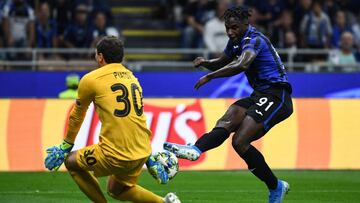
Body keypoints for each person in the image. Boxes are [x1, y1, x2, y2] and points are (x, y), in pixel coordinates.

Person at [164, 6, 293, 203]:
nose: (230, 32)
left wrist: (210, 76)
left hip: (277, 94)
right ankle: (196, 149)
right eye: (227, 28)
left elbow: (242, 64)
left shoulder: (254, 39)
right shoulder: (236, 41)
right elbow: (223, 61)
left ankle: (276, 187)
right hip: (259, 94)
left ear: (245, 24)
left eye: (234, 27)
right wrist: (206, 62)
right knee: (231, 116)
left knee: (240, 141)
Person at [45, 36, 180, 203]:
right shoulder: (132, 78)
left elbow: (77, 114)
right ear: (121, 57)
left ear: (100, 56)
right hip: (142, 151)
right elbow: (136, 119)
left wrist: (66, 145)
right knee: (117, 189)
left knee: (71, 162)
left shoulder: (91, 79)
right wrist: (148, 155)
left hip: (115, 153)